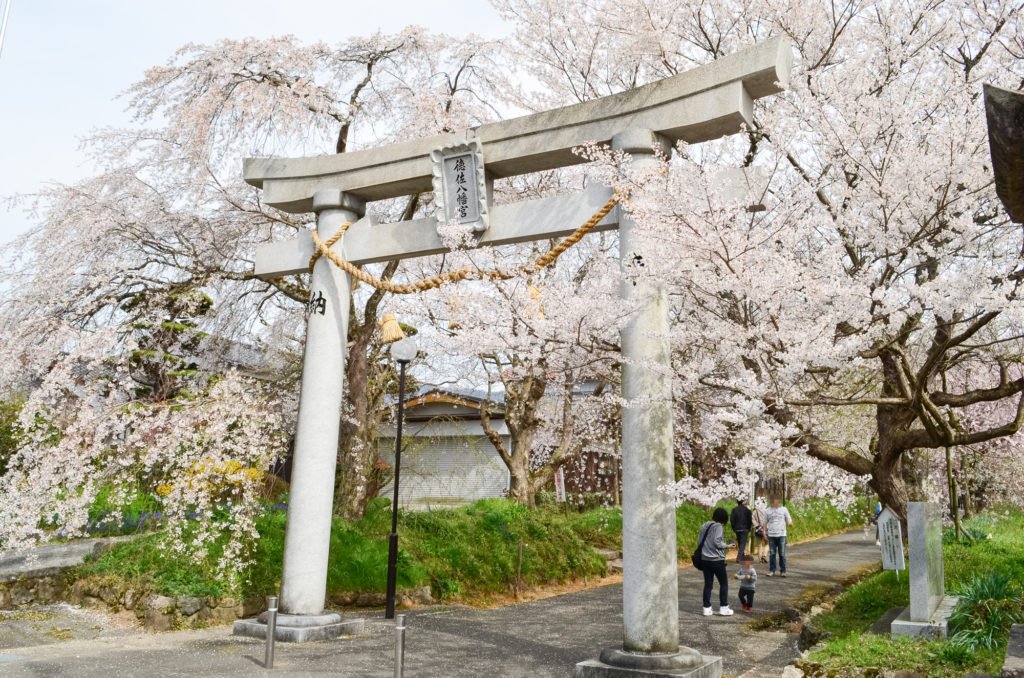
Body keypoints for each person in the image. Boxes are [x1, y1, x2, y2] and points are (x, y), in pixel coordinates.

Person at [697, 507, 734, 616]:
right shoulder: (718, 526)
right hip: (716, 560)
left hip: (705, 559)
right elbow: (717, 542)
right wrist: (727, 546)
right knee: (723, 583)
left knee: (708, 584)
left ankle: (706, 608)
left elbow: (699, 541)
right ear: (723, 518)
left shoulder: (705, 525)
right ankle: (724, 607)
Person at [765, 496, 794, 577]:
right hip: (771, 535)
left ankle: (783, 571)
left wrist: (790, 523)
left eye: (776, 501)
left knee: (782, 554)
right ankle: (772, 570)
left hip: (781, 535)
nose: (775, 503)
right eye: (773, 501)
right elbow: (764, 523)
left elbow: (789, 518)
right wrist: (764, 533)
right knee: (772, 554)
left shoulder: (784, 509)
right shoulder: (767, 511)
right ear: (771, 502)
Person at [730, 498, 753, 562]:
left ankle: (742, 557)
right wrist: (749, 528)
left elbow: (732, 520)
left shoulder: (734, 510)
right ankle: (739, 557)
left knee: (740, 543)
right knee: (742, 543)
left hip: (737, 529)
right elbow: (750, 520)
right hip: (745, 528)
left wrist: (734, 528)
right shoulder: (747, 510)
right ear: (743, 501)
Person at [752, 497, 769, 563]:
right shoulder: (767, 511)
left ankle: (760, 559)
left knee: (759, 545)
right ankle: (764, 555)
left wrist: (758, 527)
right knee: (767, 543)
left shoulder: (755, 511)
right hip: (766, 530)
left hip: (758, 530)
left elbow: (752, 520)